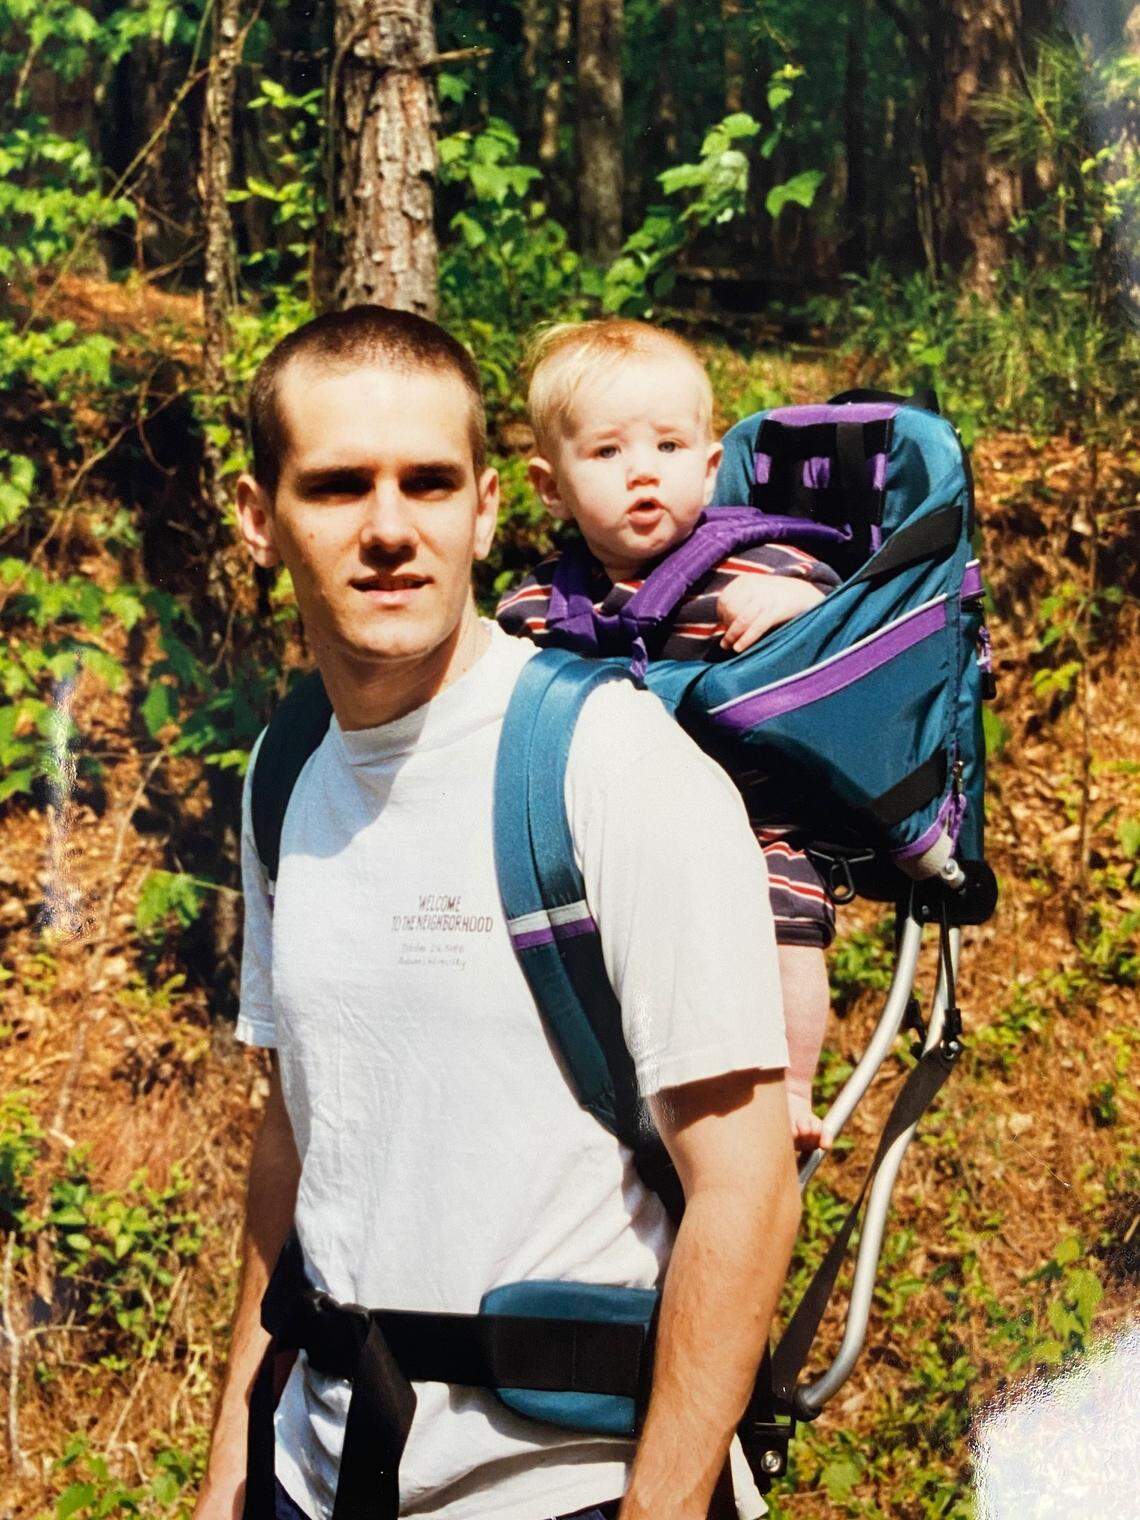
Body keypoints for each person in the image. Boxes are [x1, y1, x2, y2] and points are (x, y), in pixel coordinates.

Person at [193, 304, 801, 1520]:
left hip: (566, 1487)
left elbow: (746, 1179)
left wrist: (665, 1507)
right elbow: (299, 1128)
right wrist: (230, 1472)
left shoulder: (609, 762)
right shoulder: (287, 764)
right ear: (259, 517)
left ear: (484, 508)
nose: (388, 530)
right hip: (312, 1476)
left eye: (428, 481)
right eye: (335, 486)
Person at [496, 320, 840, 1152]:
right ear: (551, 485)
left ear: (711, 466)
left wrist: (802, 614)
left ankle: (790, 1087)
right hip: (601, 842)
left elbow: (852, 625)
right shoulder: (536, 608)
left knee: (789, 912)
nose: (643, 470)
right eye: (608, 453)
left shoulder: (763, 567)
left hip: (755, 823)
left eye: (670, 445)